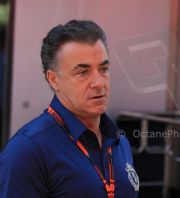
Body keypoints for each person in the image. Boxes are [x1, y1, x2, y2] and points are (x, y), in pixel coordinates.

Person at [0, 20, 139, 197]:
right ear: (53, 79)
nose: (99, 83)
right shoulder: (27, 150)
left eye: (103, 68)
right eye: (83, 72)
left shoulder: (119, 141)